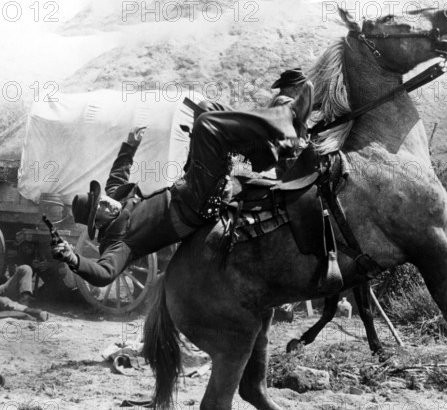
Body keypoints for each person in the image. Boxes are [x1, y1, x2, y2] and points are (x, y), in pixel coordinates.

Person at [52, 77, 315, 286]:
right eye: (102, 208)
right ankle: (287, 115)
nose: (108, 204)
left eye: (104, 200)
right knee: (205, 126)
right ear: (98, 222)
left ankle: (268, 150)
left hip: (185, 188)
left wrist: (130, 144)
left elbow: (118, 173)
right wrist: (74, 259)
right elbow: (103, 273)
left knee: (206, 109)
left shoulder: (116, 198)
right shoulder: (118, 243)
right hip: (192, 206)